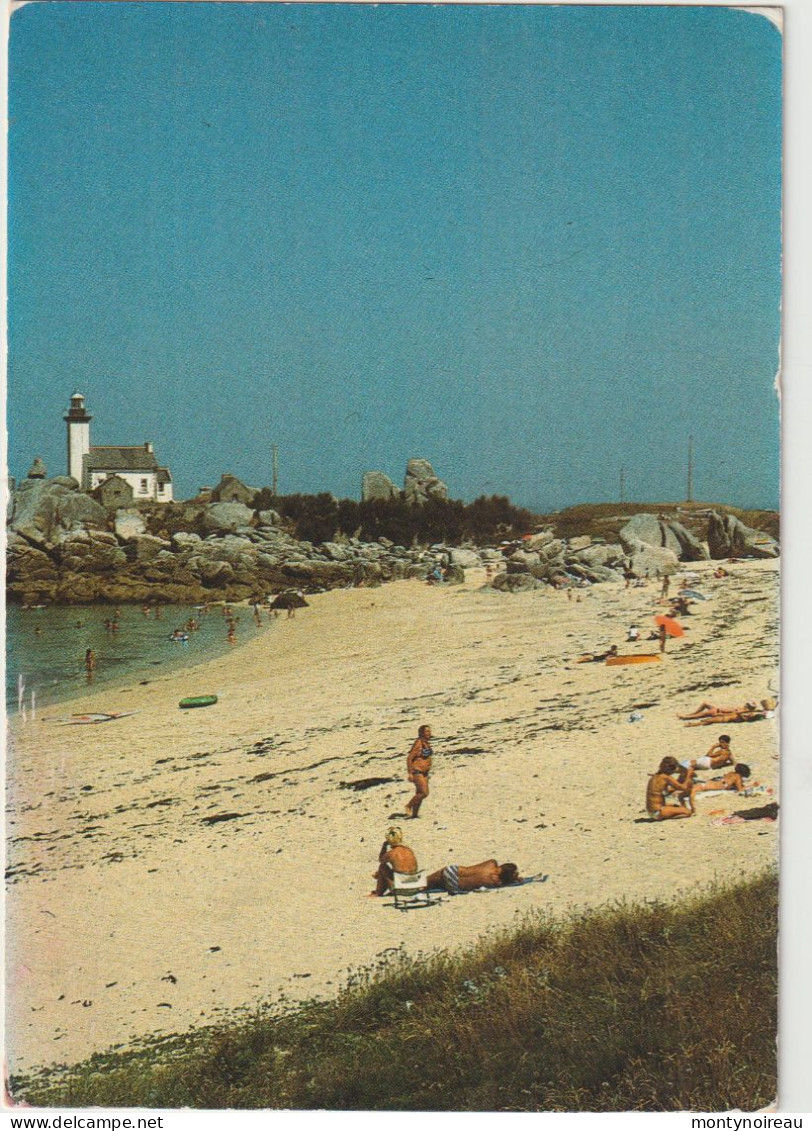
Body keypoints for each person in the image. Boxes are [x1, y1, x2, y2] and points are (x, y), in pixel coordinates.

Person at [371, 827, 418, 896]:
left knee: (383, 867)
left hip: (400, 889)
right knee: (397, 870)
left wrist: (384, 846)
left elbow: (381, 860)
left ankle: (378, 893)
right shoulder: (409, 851)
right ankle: (379, 889)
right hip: (414, 887)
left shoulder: (391, 853)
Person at [427, 860, 521, 894]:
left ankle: (420, 883)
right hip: (455, 885)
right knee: (437, 884)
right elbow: (507, 881)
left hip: (452, 870)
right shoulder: (497, 882)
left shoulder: (491, 863)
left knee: (428, 881)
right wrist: (514, 879)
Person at [405, 724, 433, 818]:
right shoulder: (418, 743)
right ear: (421, 733)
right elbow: (409, 758)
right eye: (426, 731)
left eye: (429, 731)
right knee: (424, 792)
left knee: (419, 793)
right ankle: (409, 806)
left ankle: (414, 814)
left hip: (424, 772)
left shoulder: (426, 743)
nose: (429, 733)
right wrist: (410, 773)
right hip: (417, 771)